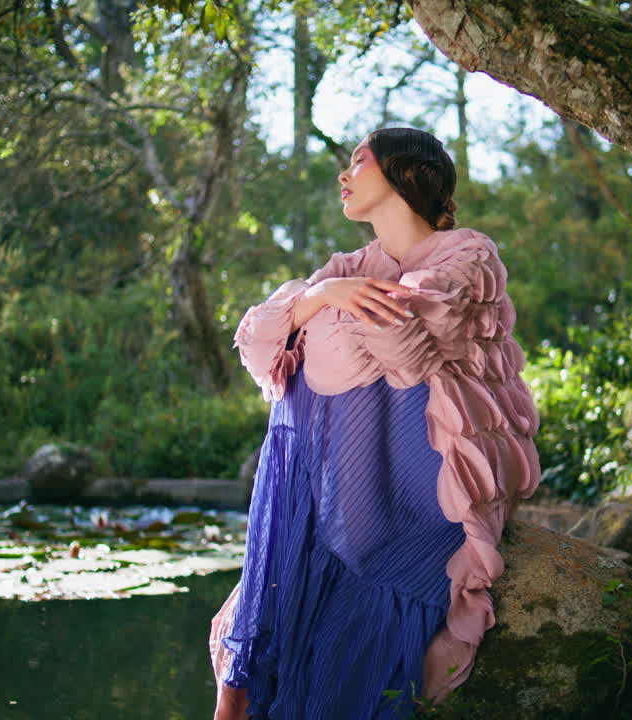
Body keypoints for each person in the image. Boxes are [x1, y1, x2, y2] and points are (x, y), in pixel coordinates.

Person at [208, 127, 541, 719]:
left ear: (403, 173)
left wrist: (318, 309)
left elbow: (405, 352)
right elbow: (263, 346)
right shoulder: (351, 264)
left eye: (358, 161)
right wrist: (327, 292)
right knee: (246, 665)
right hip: (344, 480)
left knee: (330, 653)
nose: (344, 175)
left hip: (421, 487)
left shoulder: (468, 254)